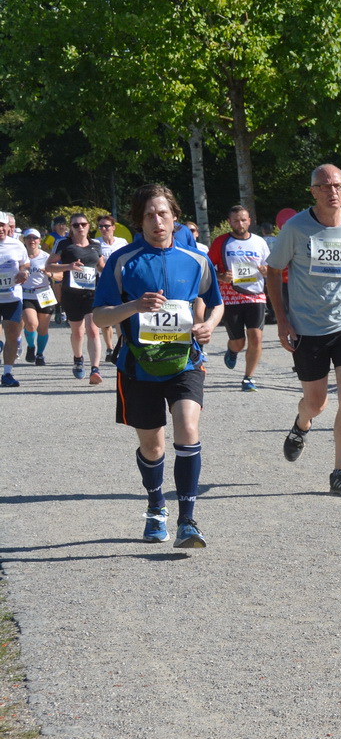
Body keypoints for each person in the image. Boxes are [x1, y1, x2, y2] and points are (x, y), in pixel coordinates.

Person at [91, 183, 223, 548]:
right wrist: (133, 306)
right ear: (140, 220)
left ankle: (188, 520)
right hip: (138, 367)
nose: (157, 220)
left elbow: (216, 302)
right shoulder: (123, 261)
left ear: (174, 216)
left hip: (186, 362)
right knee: (153, 447)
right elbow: (100, 317)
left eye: (163, 213)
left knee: (187, 426)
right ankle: (155, 506)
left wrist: (208, 326)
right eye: (149, 214)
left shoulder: (195, 259)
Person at [266, 165, 341, 497]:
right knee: (316, 403)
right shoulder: (296, 229)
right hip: (308, 326)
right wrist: (282, 320)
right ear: (312, 191)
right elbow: (273, 270)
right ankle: (302, 423)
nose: (333, 192)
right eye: (325, 186)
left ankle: (340, 472)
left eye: (338, 185)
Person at [208, 205, 271, 391]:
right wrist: (221, 277)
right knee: (239, 342)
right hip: (230, 296)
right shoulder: (221, 242)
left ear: (249, 221)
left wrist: (265, 270)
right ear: (229, 222)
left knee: (256, 337)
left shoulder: (259, 242)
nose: (240, 223)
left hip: (255, 295)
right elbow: (207, 267)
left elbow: (269, 266)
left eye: (243, 220)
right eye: (236, 220)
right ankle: (232, 350)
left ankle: (248, 377)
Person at [57, 214, 105, 382]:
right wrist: (69, 266)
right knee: (77, 332)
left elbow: (102, 267)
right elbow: (49, 265)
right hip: (71, 294)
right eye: (76, 225)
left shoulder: (95, 246)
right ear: (71, 227)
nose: (80, 228)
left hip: (92, 293)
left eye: (83, 224)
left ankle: (95, 369)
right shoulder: (65, 245)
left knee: (93, 330)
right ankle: (78, 359)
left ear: (88, 226)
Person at [18, 228, 61, 365]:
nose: (32, 241)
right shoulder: (20, 256)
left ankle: (40, 354)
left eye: (35, 238)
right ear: (24, 240)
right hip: (26, 294)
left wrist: (50, 274)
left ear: (39, 240)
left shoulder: (46, 257)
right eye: (29, 238)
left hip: (44, 294)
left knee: (43, 329)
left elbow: (61, 275)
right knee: (31, 324)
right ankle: (31, 346)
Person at [95, 214, 125, 363]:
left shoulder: (122, 243)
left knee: (120, 316)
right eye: (101, 226)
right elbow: (99, 265)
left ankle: (121, 346)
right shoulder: (96, 243)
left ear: (113, 227)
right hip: (103, 283)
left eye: (106, 226)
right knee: (106, 318)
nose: (104, 229)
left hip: (120, 284)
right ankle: (109, 347)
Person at [0, 213, 24, 387]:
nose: (0, 229)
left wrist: (24, 272)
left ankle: (7, 373)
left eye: (3, 225)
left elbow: (25, 263)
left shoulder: (16, 245)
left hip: (12, 297)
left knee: (12, 334)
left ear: (8, 227)